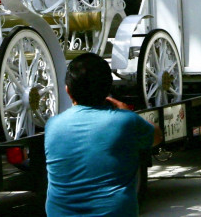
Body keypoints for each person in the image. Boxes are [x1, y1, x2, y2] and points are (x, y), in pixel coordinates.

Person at [44, 52, 162, 216]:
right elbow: (157, 136)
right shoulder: (125, 121)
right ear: (108, 90)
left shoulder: (52, 126)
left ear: (68, 91)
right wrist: (128, 113)